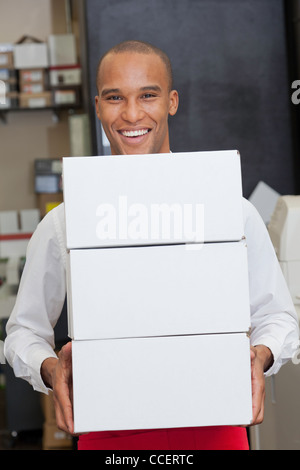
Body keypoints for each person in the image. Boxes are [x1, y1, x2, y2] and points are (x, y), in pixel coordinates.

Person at [4, 40, 299, 451]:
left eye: (148, 95)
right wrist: (52, 369)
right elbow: (22, 332)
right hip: (109, 432)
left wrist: (260, 356)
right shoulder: (65, 223)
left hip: (215, 427)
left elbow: (277, 316)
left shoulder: (230, 209)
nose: (131, 114)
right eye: (114, 98)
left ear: (172, 101)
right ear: (98, 106)